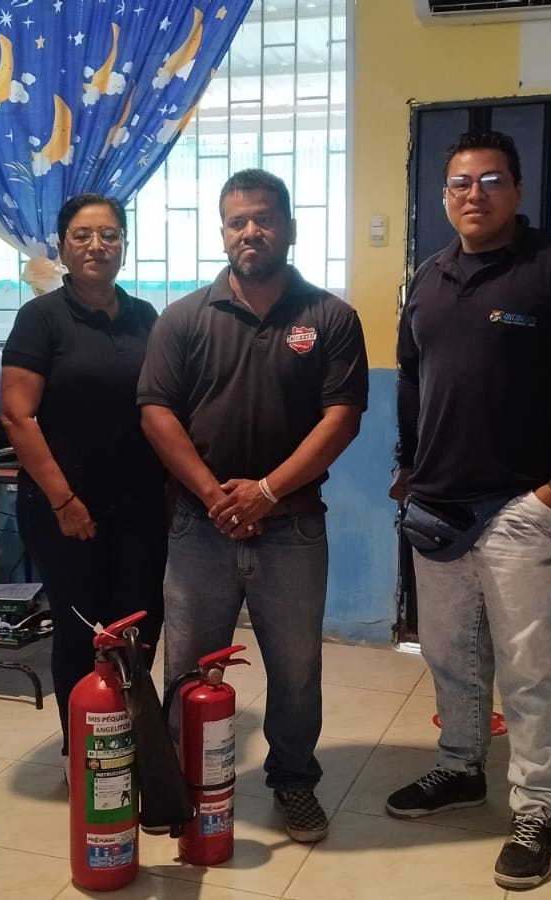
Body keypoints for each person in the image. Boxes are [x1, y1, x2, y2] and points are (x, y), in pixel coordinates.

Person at [388, 131, 551, 891]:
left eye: (491, 180)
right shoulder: (429, 278)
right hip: (436, 506)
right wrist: (406, 465)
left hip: (522, 505)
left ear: (517, 191)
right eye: (460, 182)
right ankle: (461, 768)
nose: (474, 194)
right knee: (449, 656)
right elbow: (412, 378)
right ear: (444, 196)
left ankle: (538, 807)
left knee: (531, 670)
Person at [137, 169, 368, 844]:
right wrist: (217, 496)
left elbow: (342, 419)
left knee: (295, 671)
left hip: (292, 529)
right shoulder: (184, 318)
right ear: (222, 232)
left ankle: (293, 781)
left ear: (288, 228)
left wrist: (265, 493)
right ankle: (180, 785)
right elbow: (155, 413)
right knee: (187, 666)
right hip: (199, 528)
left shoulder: (329, 317)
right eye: (237, 221)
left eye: (264, 218)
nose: (251, 231)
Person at [0, 193, 167, 761]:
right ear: (63, 246)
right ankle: (88, 755)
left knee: (139, 625)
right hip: (64, 509)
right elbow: (16, 416)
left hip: (139, 507)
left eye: (109, 235)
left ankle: (133, 742)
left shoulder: (145, 316)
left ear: (124, 244)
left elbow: (161, 406)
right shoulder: (41, 318)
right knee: (82, 632)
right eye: (82, 235)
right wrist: (64, 500)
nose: (97, 245)